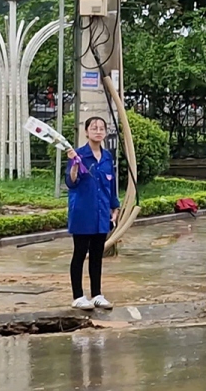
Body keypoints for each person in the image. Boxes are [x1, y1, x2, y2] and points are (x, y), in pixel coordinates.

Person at [65, 117, 120, 311]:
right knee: (80, 253)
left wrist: (115, 207)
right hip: (82, 212)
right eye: (94, 128)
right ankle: (78, 295)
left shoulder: (107, 157)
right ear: (86, 132)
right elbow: (71, 182)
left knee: (97, 255)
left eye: (101, 128)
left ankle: (97, 294)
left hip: (102, 213)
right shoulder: (78, 155)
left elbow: (111, 185)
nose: (98, 131)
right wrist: (74, 164)